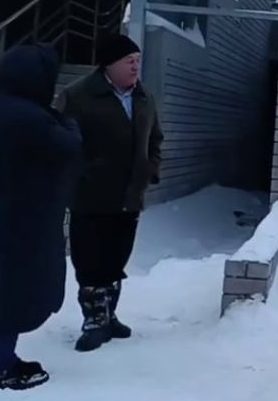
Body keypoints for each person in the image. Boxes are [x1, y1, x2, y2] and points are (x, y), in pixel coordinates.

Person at [0, 45, 82, 390]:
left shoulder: (0, 108)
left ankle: (0, 358)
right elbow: (67, 145)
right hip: (20, 220)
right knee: (9, 292)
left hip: (7, 215)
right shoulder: (26, 116)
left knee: (3, 288)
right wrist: (68, 121)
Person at [53, 34, 163, 352]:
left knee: (116, 259)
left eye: (138, 61)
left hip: (129, 197)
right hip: (91, 196)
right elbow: (61, 141)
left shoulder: (144, 97)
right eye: (129, 61)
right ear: (109, 64)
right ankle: (93, 320)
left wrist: (150, 170)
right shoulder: (78, 96)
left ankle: (109, 314)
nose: (135, 67)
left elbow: (156, 138)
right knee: (89, 260)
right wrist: (85, 171)